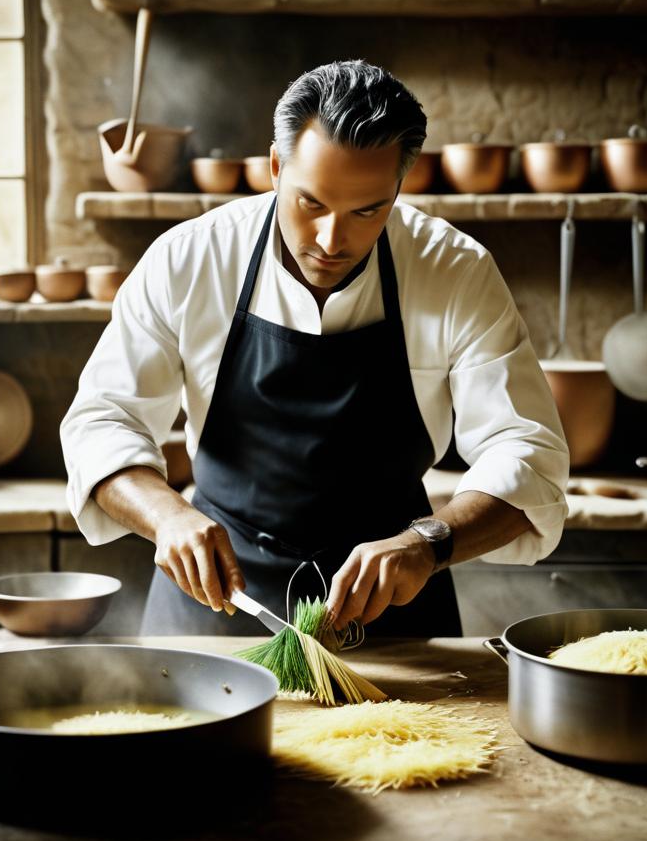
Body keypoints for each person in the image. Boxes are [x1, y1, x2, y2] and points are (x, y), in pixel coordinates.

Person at [61, 59, 569, 637]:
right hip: (217, 596)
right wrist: (168, 516)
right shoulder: (190, 259)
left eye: (366, 210)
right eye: (312, 203)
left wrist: (427, 543)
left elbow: (529, 452)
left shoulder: (454, 270)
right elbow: (102, 421)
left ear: (398, 188)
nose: (332, 240)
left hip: (391, 602)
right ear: (277, 167)